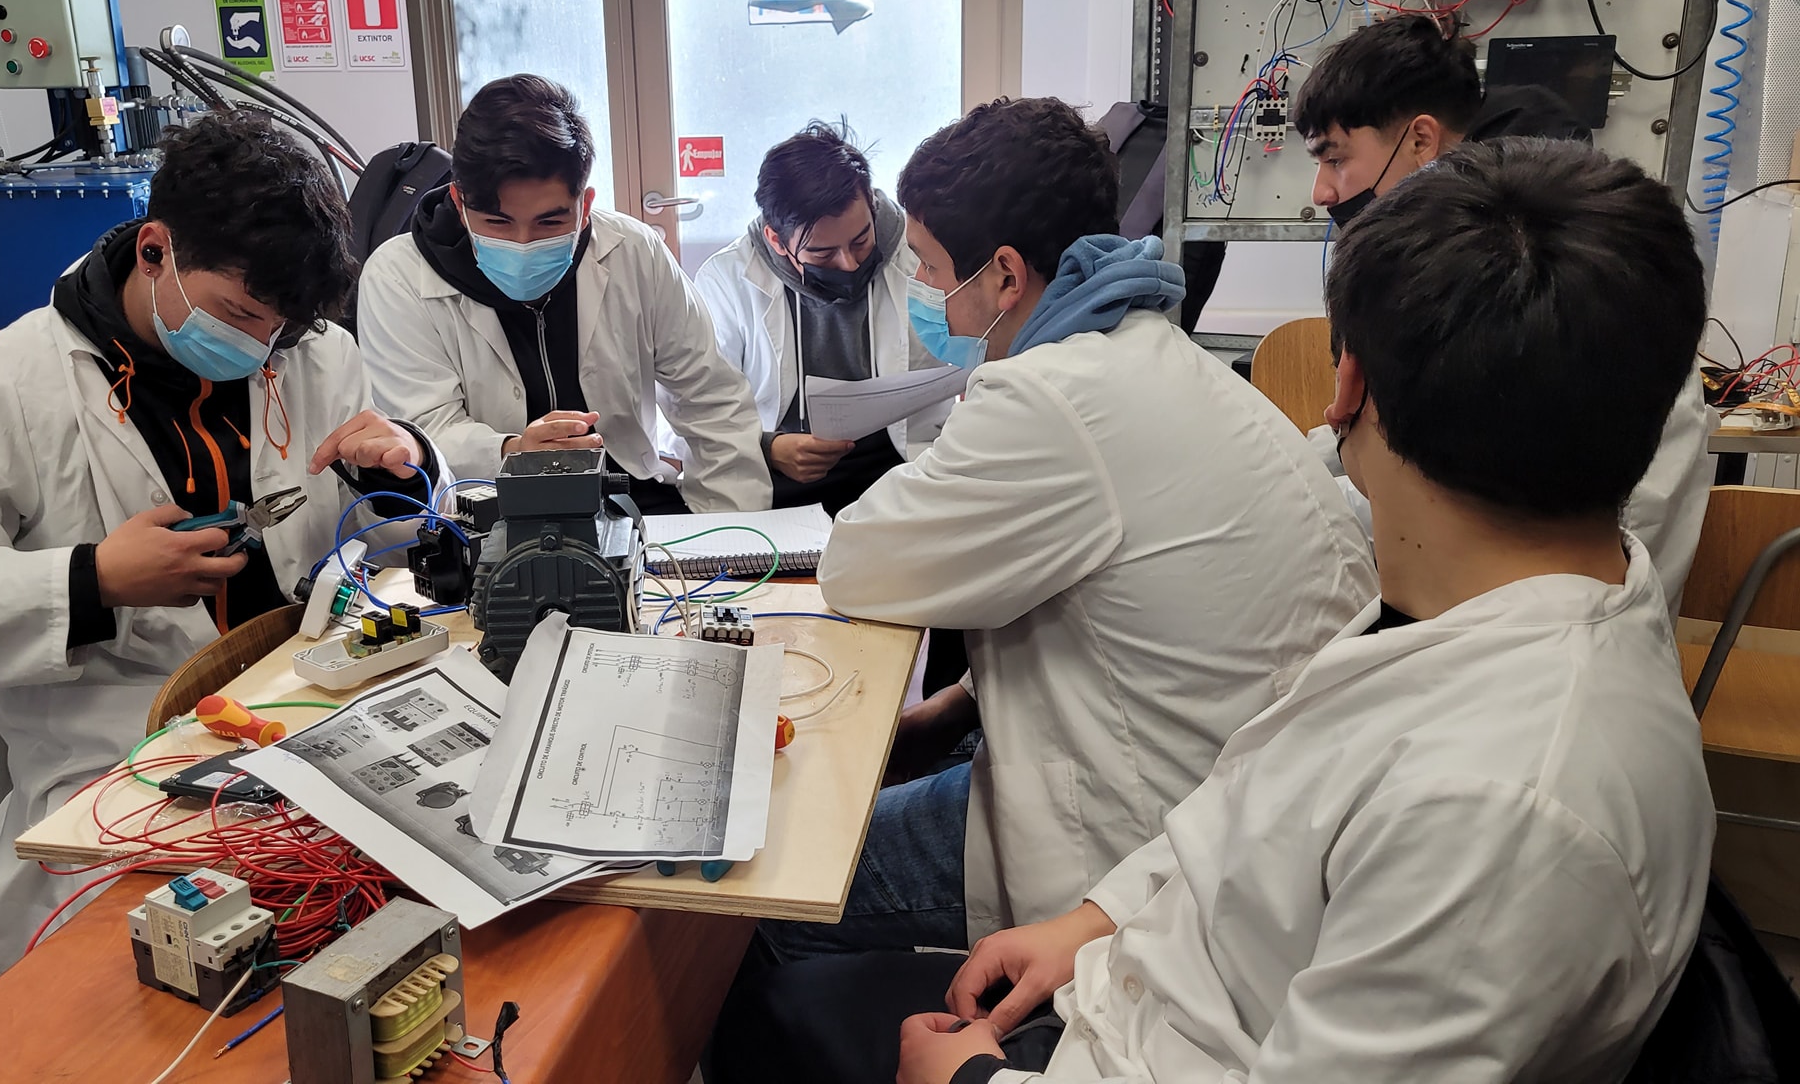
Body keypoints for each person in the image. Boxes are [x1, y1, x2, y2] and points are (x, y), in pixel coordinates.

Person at [716, 138, 1716, 1084]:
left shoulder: (1498, 807)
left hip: (1137, 1042)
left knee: (754, 964)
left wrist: (974, 1079)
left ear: (1345, 386)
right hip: (1140, 958)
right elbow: (1245, 815)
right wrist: (1097, 921)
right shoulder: (1485, 633)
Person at [0, 109, 448, 979]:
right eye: (241, 314)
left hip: (314, 724)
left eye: (285, 329)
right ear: (156, 250)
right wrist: (89, 582)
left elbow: (368, 540)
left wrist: (405, 472)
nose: (265, 351)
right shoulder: (2, 389)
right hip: (119, 770)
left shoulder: (313, 351)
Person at [763, 98, 1376, 966]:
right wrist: (956, 712)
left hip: (1132, 837)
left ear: (1006, 276)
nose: (929, 294)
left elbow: (861, 564)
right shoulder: (1156, 352)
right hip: (1234, 803)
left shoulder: (1046, 396)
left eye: (935, 270)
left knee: (780, 882)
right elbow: (1123, 605)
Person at [1293, 13, 1716, 614]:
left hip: (1545, 635)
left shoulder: (1545, 292)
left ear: (1419, 140)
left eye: (1335, 158)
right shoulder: (1460, 278)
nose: (1321, 192)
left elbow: (1495, 525)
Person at [357, 74, 768, 514]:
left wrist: (728, 534)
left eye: (550, 223)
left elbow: (709, 396)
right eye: (497, 223)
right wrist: (512, 451)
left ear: (585, 204)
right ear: (459, 203)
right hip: (489, 514)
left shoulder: (634, 251)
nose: (523, 243)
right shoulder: (398, 277)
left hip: (631, 501)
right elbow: (422, 432)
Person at [686, 122, 949, 513]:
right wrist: (768, 446)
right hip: (783, 469)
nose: (849, 263)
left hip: (897, 462)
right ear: (777, 240)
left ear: (871, 207)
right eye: (823, 254)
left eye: (860, 240)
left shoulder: (919, 259)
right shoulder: (727, 281)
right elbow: (704, 405)